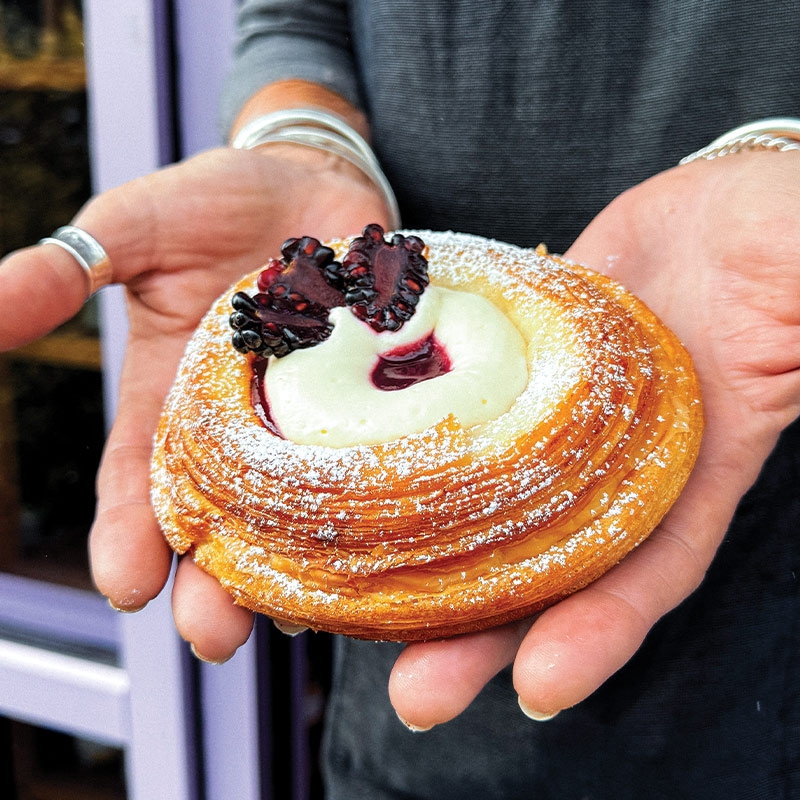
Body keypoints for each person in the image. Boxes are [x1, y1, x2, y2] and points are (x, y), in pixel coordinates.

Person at [2, 2, 799, 797]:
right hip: (397, 699)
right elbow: (293, 16)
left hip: (759, 529)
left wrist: (783, 149)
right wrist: (308, 136)